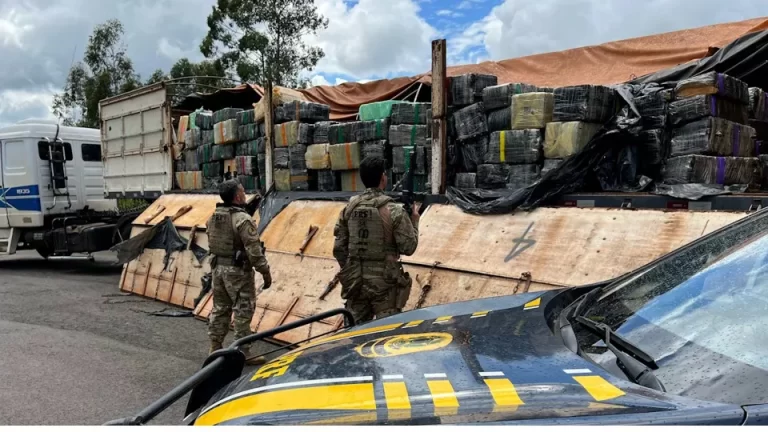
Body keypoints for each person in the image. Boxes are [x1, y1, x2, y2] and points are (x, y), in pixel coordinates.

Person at [333, 156, 420, 324]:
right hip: (385, 285)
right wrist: (414, 220)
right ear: (383, 178)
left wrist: (353, 268)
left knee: (352, 336)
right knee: (386, 337)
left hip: (355, 283)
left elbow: (338, 249)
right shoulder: (393, 210)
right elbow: (409, 247)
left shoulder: (349, 208)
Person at [206, 180, 272, 365]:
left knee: (220, 308)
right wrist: (265, 272)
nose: (245, 194)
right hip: (238, 272)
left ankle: (215, 347)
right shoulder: (242, 219)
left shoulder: (213, 216)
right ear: (237, 196)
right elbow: (254, 250)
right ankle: (243, 352)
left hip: (218, 268)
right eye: (243, 191)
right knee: (243, 310)